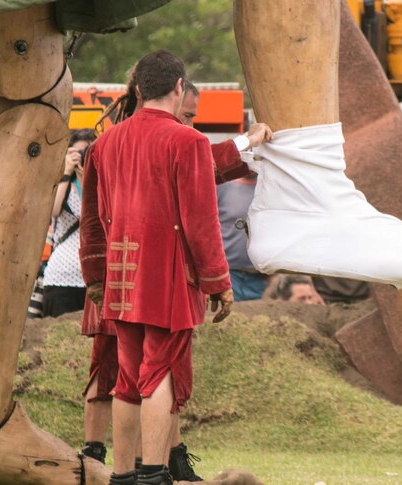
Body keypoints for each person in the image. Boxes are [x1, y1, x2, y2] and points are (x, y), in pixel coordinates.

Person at [79, 50, 234, 485]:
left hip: (121, 277)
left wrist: (95, 275)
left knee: (128, 378)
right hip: (166, 277)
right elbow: (201, 222)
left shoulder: (104, 142)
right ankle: (152, 472)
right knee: (159, 372)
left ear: (138, 89)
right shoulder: (189, 141)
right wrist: (219, 282)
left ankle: (124, 475)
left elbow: (91, 219)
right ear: (179, 87)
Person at [179, 81, 269, 303]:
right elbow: (205, 224)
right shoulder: (222, 184)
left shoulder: (269, 187)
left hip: (263, 276)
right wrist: (216, 276)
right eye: (187, 116)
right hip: (232, 274)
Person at [41, 129, 96, 317]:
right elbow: (53, 211)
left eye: (86, 152)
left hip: (95, 280)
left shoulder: (103, 185)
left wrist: (89, 176)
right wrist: (66, 172)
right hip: (61, 279)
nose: (82, 157)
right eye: (77, 153)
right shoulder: (62, 184)